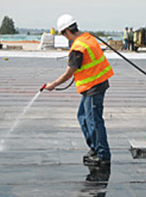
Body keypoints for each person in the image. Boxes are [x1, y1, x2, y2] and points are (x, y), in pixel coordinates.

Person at [45, 14, 114, 166]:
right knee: (83, 116)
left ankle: (103, 155)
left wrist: (53, 84)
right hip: (96, 83)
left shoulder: (78, 48)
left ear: (66, 32)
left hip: (94, 86)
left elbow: (69, 73)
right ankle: (95, 147)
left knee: (94, 121)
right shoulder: (87, 38)